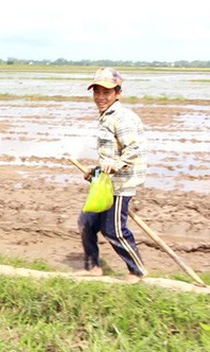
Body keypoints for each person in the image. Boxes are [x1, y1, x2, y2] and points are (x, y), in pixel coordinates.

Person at [75, 67, 147, 280]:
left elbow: (134, 149)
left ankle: (137, 271)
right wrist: (96, 170)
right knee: (86, 223)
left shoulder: (122, 117)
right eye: (97, 92)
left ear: (118, 93)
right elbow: (110, 154)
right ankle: (93, 267)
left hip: (120, 184)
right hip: (105, 181)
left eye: (106, 92)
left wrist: (116, 165)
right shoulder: (106, 117)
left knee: (113, 230)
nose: (100, 97)